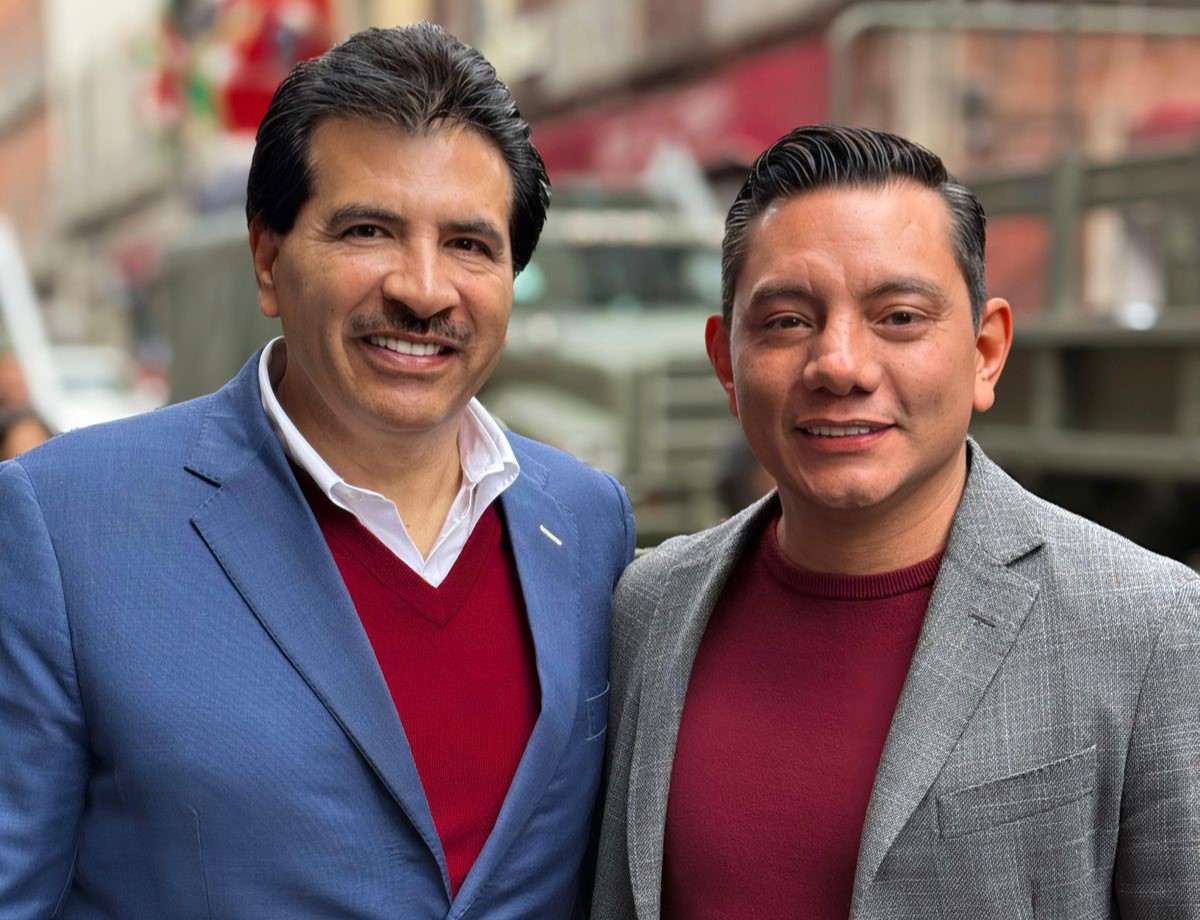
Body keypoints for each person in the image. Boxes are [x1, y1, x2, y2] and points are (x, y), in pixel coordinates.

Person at [0, 24, 634, 918]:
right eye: (368, 230)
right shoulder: (62, 526)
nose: (423, 288)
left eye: (469, 244)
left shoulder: (587, 519)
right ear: (267, 259)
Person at [592, 125, 1199, 919]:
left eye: (900, 317)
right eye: (786, 321)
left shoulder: (1147, 626)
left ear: (985, 350)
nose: (839, 364)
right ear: (725, 364)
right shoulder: (648, 607)